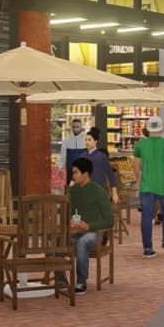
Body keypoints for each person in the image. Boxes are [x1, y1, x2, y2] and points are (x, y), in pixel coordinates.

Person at [57, 157, 114, 294]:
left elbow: (109, 221)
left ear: (85, 174)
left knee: (82, 242)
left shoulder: (99, 192)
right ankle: (61, 280)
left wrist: (89, 225)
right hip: (74, 231)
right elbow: (67, 213)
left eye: (76, 172)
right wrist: (68, 221)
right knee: (55, 242)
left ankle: (81, 282)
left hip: (95, 233)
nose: (73, 176)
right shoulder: (72, 191)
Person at [133, 116, 164, 258]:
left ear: (148, 129)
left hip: (146, 186)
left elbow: (136, 165)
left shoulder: (140, 145)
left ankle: (147, 248)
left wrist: (139, 180)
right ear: (161, 128)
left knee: (146, 216)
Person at [79, 127, 118, 205]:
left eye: (89, 140)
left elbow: (111, 175)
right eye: (86, 140)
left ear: (95, 141)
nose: (87, 142)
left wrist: (114, 192)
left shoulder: (102, 157)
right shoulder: (82, 156)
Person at [58, 119, 87, 189]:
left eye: (78, 127)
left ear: (81, 127)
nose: (76, 128)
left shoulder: (86, 140)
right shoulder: (66, 141)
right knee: (71, 188)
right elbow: (63, 155)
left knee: (84, 187)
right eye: (74, 127)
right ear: (71, 128)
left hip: (84, 169)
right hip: (71, 170)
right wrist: (61, 168)